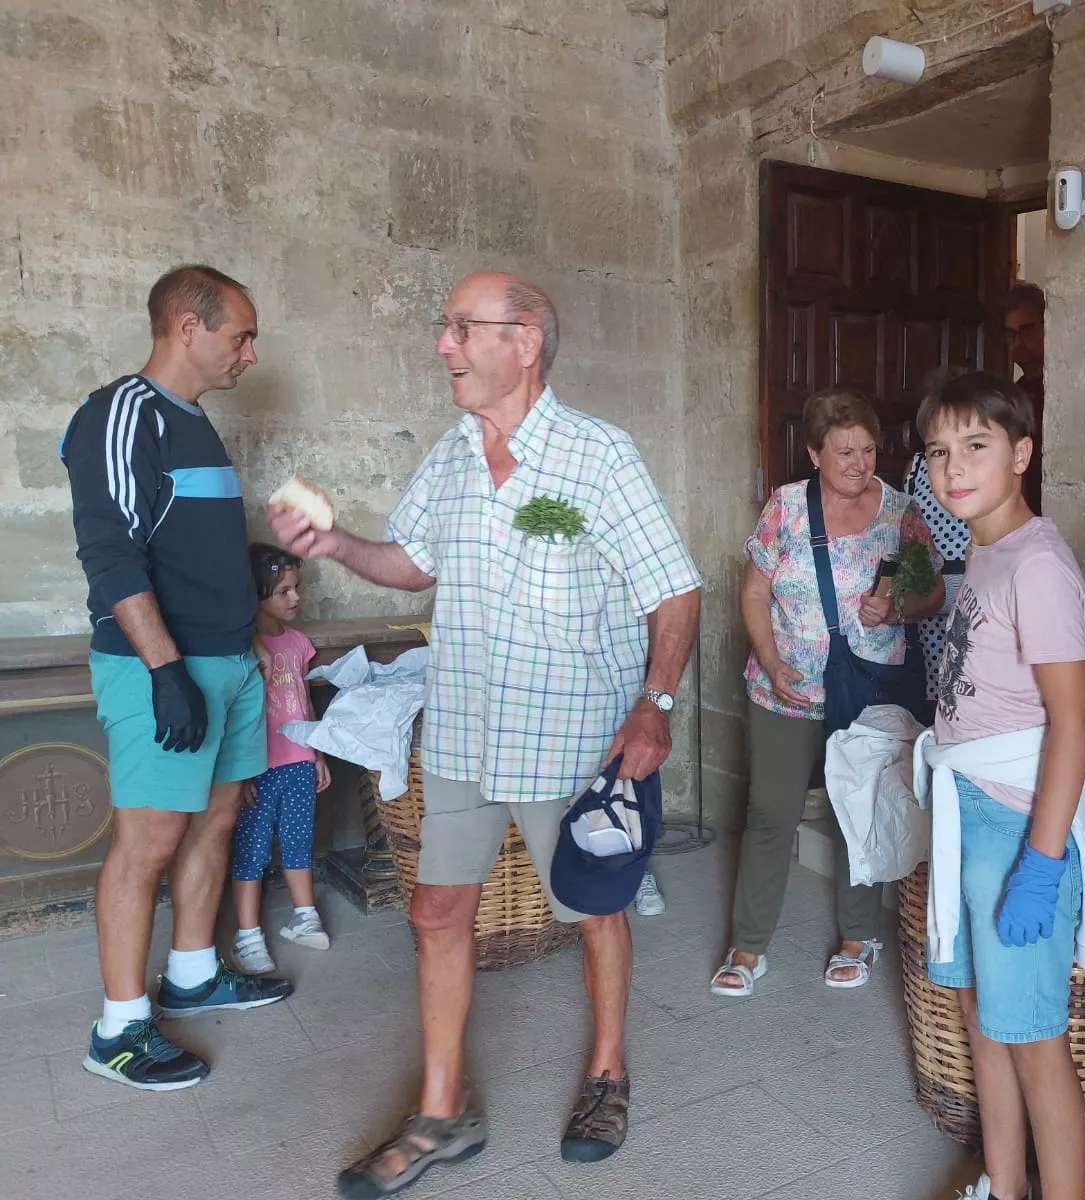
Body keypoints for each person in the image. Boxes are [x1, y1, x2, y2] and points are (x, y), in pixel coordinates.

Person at [268, 271, 701, 1195]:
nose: (444, 345)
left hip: (571, 732)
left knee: (593, 908)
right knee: (435, 913)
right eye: (446, 327)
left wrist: (654, 707)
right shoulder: (455, 455)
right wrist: (335, 544)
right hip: (464, 728)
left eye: (464, 327)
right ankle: (440, 1114)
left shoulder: (599, 456)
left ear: (527, 340)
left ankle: (608, 1073)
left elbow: (676, 587)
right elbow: (412, 564)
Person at [62, 265, 295, 1092]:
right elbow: (109, 551)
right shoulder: (121, 414)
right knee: (149, 842)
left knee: (217, 820)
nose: (250, 354)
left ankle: (193, 972)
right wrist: (165, 671)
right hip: (160, 666)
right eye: (240, 335)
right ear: (186, 328)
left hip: (229, 662)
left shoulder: (195, 423)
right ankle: (119, 1029)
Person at [918, 371, 1085, 1200]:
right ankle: (1003, 1182)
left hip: (1016, 824)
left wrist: (1045, 860)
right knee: (982, 1019)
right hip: (968, 809)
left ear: (1020, 454)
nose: (954, 468)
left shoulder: (1039, 566)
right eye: (938, 452)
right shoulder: (985, 550)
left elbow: (1073, 720)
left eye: (976, 447)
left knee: (1032, 1037)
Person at [711, 387, 945, 998]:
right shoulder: (786, 508)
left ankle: (858, 936)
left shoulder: (901, 513)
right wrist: (769, 657)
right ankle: (748, 945)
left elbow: (933, 595)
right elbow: (755, 593)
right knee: (771, 815)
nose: (859, 463)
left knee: (858, 812)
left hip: (868, 688)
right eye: (844, 452)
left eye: (868, 450)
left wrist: (896, 608)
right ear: (814, 453)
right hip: (784, 689)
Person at [230, 544, 334, 975]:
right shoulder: (243, 650)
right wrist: (238, 772)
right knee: (251, 849)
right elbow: (234, 711)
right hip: (258, 765)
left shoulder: (297, 644)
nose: (295, 598)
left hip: (298, 761)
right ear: (256, 594)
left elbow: (303, 701)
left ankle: (303, 914)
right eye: (283, 591)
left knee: (297, 841)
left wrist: (317, 753)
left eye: (297, 588)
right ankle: (247, 934)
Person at [903, 366, 972, 703]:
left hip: (950, 578)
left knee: (945, 673)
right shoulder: (918, 465)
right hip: (938, 580)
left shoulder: (916, 465)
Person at [1003, 282, 1047, 514]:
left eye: (1027, 330)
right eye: (1011, 334)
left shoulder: (1060, 393)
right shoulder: (1012, 395)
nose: (1018, 341)